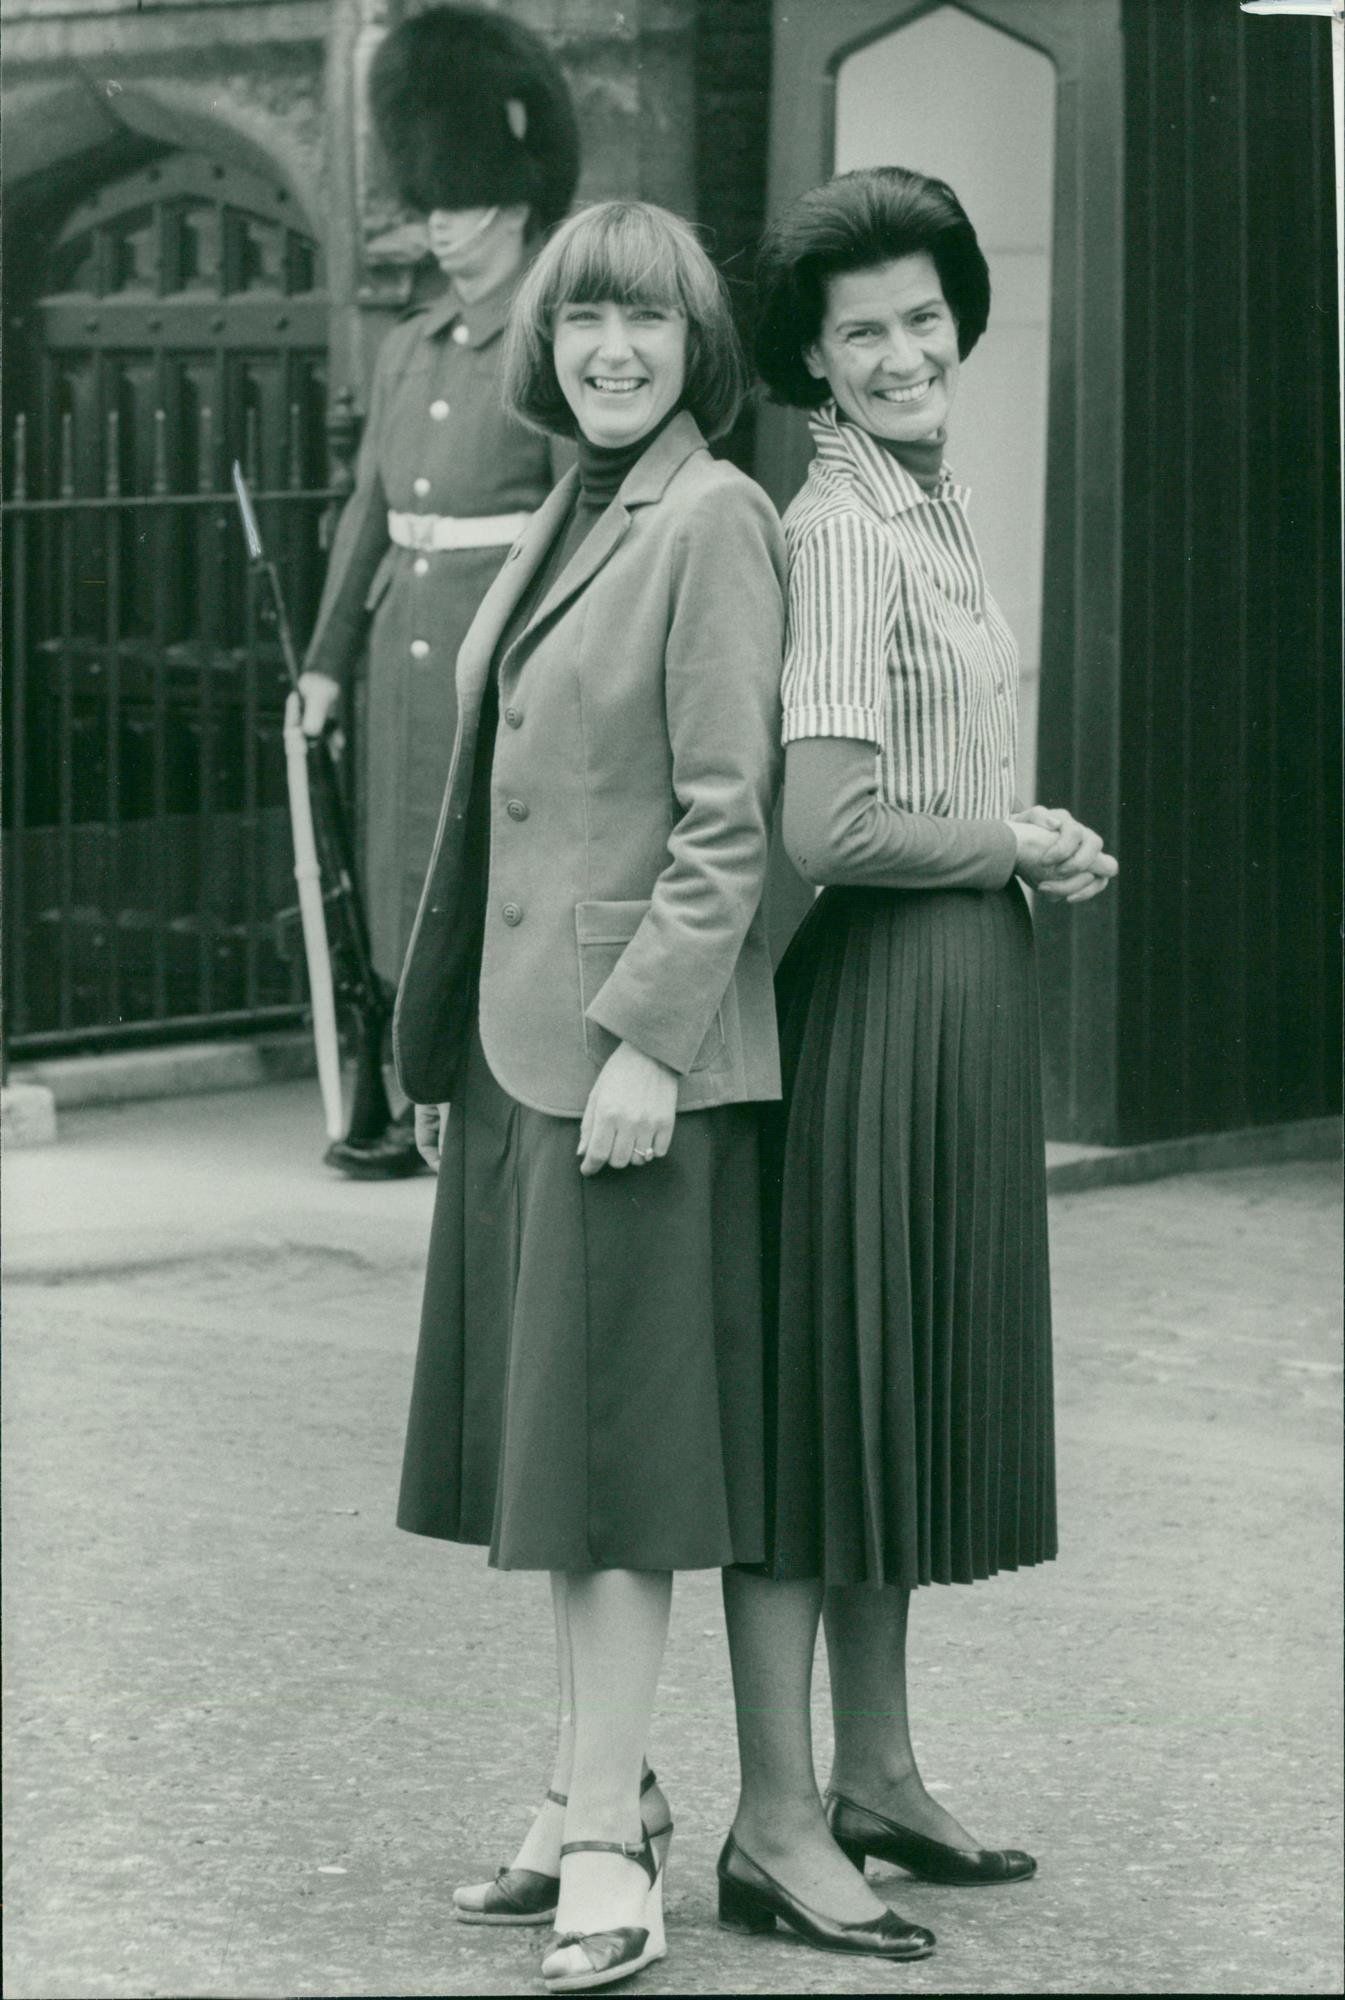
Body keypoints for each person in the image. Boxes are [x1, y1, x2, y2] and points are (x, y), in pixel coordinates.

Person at [715, 166, 1117, 1958]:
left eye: (919, 315)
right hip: (882, 999)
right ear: (813, 354)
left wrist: (1019, 827)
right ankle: (775, 1815)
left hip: (956, 991)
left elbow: (920, 787)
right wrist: (1005, 846)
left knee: (892, 1395)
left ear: (960, 316)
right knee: (828, 1413)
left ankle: (875, 1771)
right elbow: (828, 819)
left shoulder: (927, 507)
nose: (899, 348)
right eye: (858, 328)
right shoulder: (850, 528)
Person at [392, 200, 787, 1993]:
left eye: (643, 324)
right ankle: (581, 1784)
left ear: (695, 345)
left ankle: (614, 1850)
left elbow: (732, 817)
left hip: (628, 1075)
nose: (608, 351)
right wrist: (441, 1051)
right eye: (580, 326)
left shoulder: (715, 516)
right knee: (561, 1468)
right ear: (545, 347)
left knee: (618, 1476)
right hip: (518, 1060)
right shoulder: (580, 500)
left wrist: (646, 1040)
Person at [297, 4, 578, 1176]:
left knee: (480, 861)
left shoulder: (553, 334)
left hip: (492, 638)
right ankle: (399, 1075)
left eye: (458, 204)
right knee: (397, 858)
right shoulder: (410, 343)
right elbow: (370, 509)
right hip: (405, 636)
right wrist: (321, 660)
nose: (440, 226)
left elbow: (572, 523)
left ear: (513, 204)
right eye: (432, 204)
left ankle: (467, 1086)